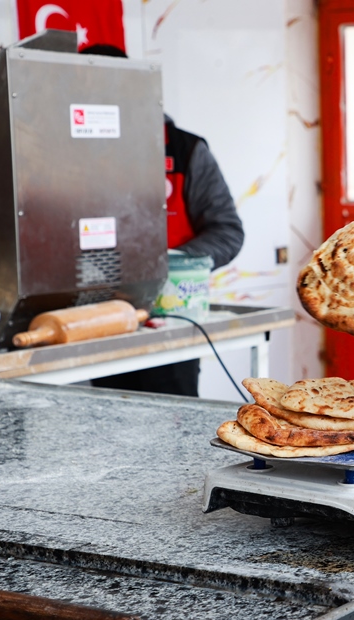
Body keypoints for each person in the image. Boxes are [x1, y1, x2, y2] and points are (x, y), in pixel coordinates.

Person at [79, 45, 245, 397]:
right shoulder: (66, 156)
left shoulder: (186, 150)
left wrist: (169, 266)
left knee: (175, 421)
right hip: (95, 323)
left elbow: (227, 232)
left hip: (171, 322)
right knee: (105, 421)